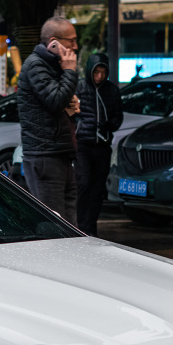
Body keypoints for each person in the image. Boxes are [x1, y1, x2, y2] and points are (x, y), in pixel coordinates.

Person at [17, 16, 81, 224]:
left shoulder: (53, 64)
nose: (75, 46)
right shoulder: (36, 65)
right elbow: (54, 100)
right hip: (45, 154)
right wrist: (70, 70)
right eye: (71, 40)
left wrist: (72, 104)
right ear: (54, 41)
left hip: (60, 151)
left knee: (70, 223)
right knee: (54, 223)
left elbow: (58, 100)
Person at [73, 53, 123, 236]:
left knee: (97, 190)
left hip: (102, 145)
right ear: (90, 71)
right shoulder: (78, 87)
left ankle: (90, 227)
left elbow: (118, 115)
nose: (99, 76)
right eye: (96, 72)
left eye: (103, 72)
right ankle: (78, 224)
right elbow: (70, 112)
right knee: (83, 183)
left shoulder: (112, 90)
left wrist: (110, 125)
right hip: (83, 144)